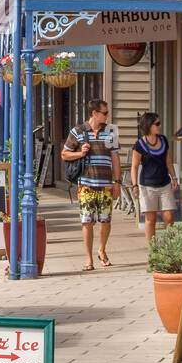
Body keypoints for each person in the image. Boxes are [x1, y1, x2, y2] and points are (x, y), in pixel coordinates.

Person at [61, 99, 120, 271]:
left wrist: (117, 182)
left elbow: (115, 158)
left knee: (106, 221)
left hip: (106, 184)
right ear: (94, 113)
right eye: (105, 112)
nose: (107, 115)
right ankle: (88, 259)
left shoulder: (111, 131)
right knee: (86, 222)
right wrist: (80, 153)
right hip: (86, 184)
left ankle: (101, 249)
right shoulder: (77, 131)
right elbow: (64, 154)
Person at [131, 112, 178, 244]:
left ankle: (171, 247)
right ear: (148, 125)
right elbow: (134, 166)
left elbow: (168, 161)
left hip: (164, 184)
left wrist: (174, 178)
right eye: (157, 124)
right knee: (150, 219)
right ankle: (153, 249)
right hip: (147, 186)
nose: (159, 126)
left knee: (169, 217)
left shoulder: (163, 139)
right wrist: (135, 186)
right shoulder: (139, 144)